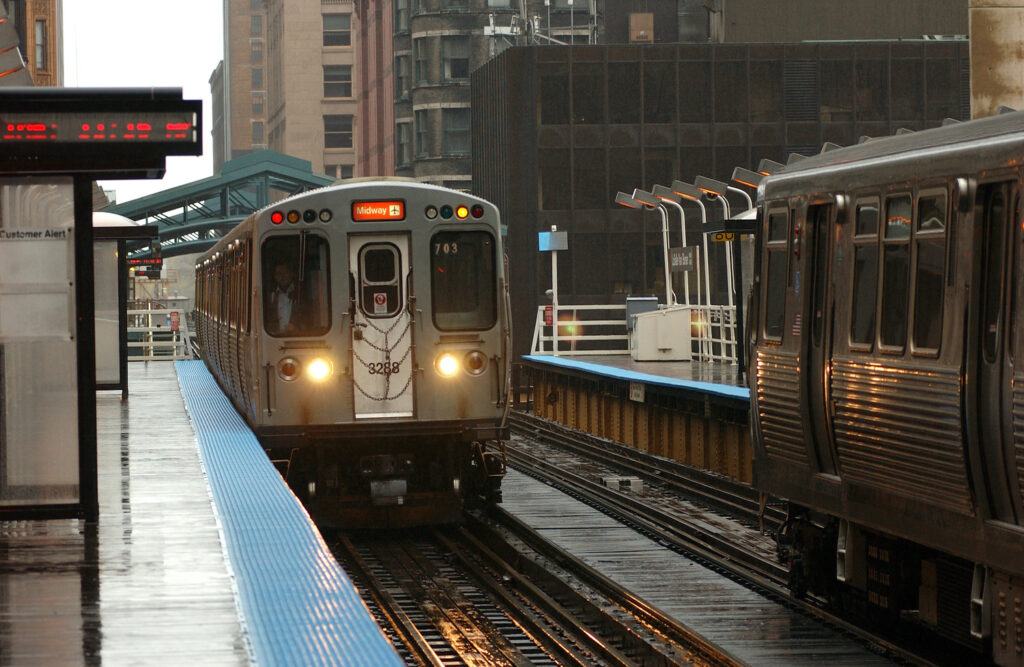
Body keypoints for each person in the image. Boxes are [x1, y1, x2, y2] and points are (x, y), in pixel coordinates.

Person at [268, 262, 300, 335]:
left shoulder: (300, 294)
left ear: (291, 274)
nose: (282, 277)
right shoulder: (271, 297)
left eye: (285, 273)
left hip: (297, 337)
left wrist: (297, 327)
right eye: (279, 274)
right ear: (275, 277)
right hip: (275, 339)